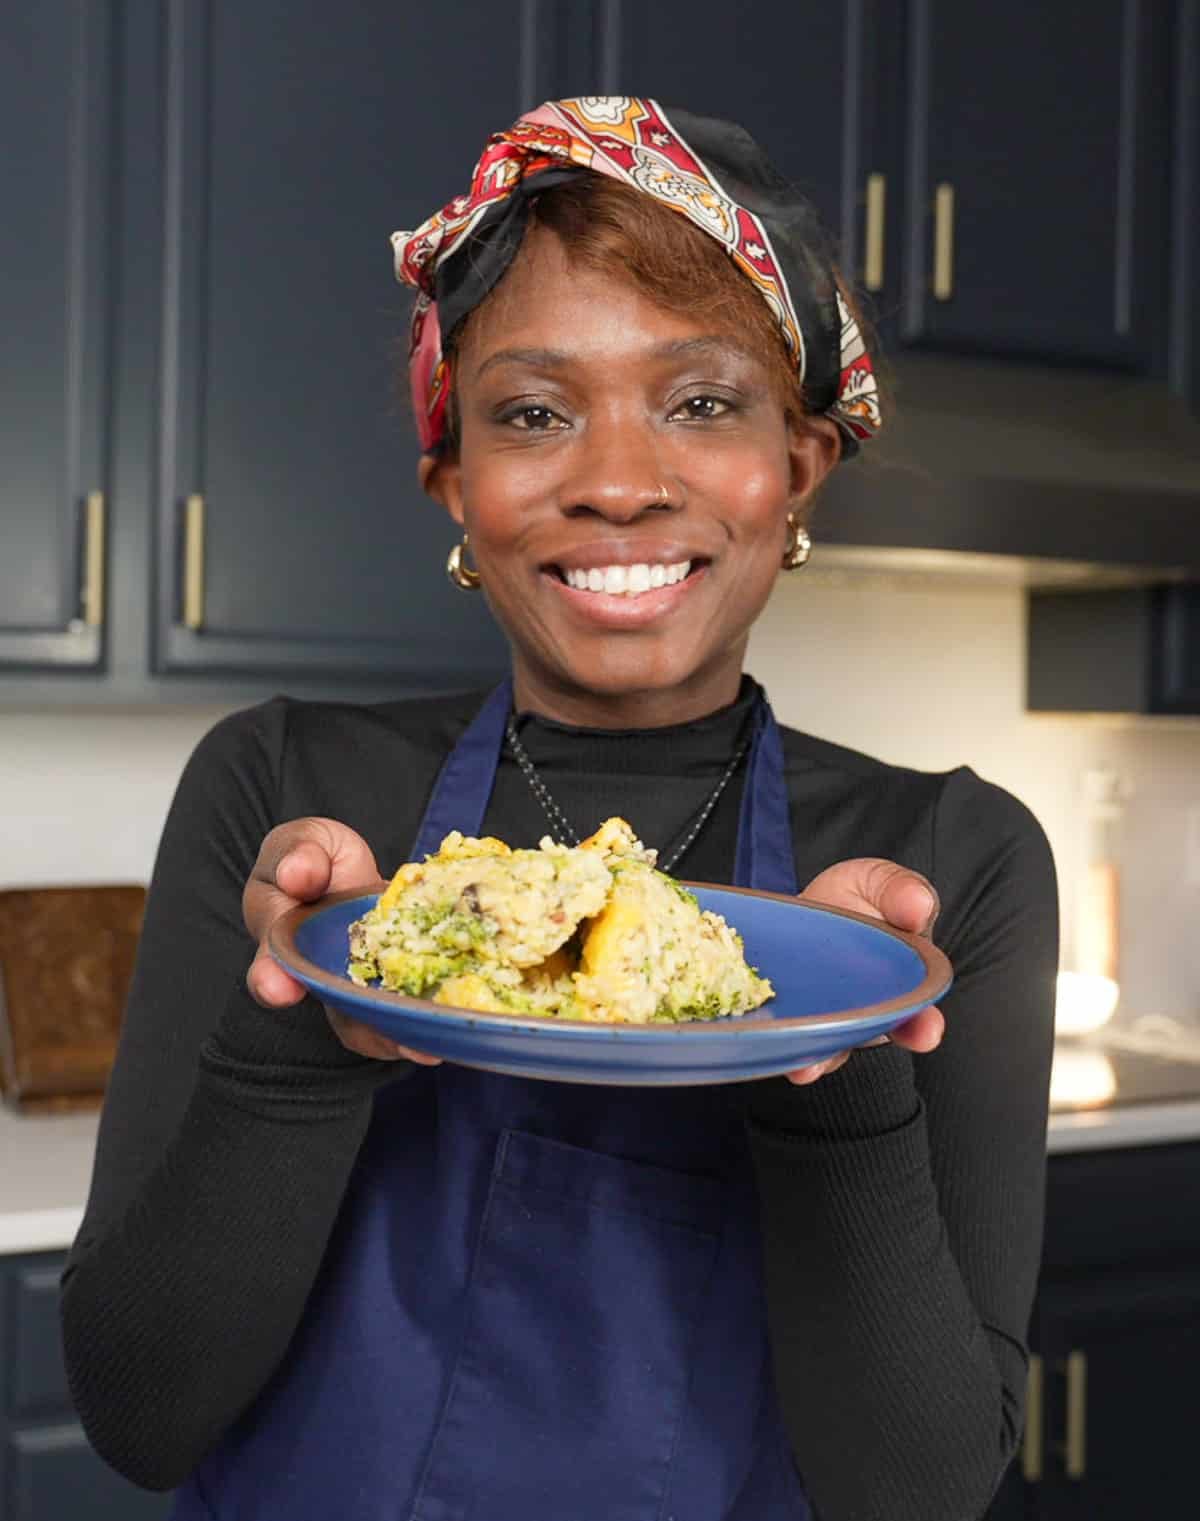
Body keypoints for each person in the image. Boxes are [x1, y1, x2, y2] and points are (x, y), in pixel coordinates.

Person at [61, 98, 1057, 1521]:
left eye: (704, 401)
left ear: (799, 470)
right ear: (454, 482)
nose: (617, 482)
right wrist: (298, 1028)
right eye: (532, 412)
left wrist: (843, 1069)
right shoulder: (289, 802)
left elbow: (918, 1492)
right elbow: (138, 1411)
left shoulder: (943, 869)